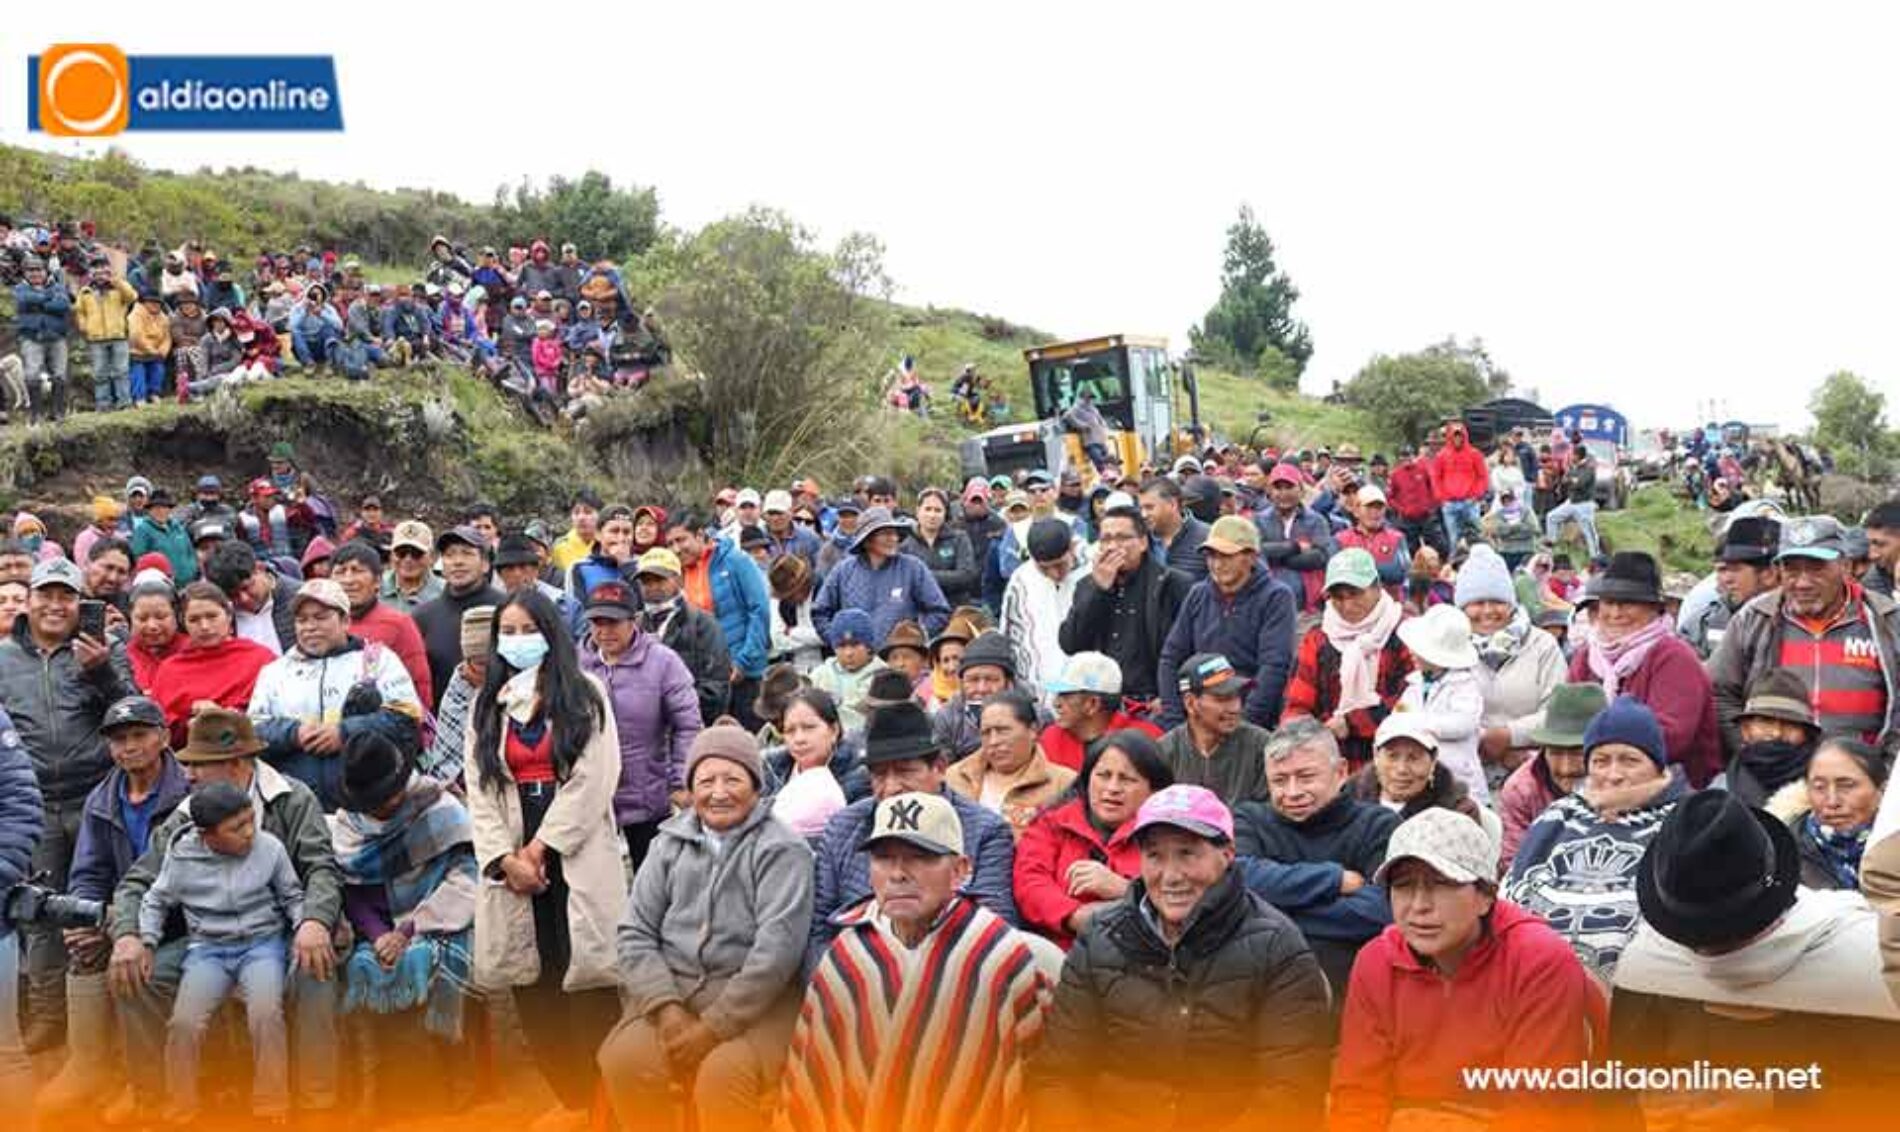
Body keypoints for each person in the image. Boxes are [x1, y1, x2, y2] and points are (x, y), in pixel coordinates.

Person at [1034, 784, 1331, 1132]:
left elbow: (1290, 1095)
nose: (1171, 876)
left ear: (1228, 853)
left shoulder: (1277, 946)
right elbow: (1059, 1077)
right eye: (1155, 856)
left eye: (1187, 853)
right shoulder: (1101, 937)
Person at [106, 708, 343, 1123]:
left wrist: (314, 921)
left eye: (200, 765)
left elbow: (321, 868)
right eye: (189, 764)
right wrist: (128, 935)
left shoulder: (291, 797)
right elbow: (138, 885)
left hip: (282, 933)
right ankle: (158, 1104)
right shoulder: (187, 815)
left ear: (236, 764)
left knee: (314, 968)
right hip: (206, 943)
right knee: (134, 975)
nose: (189, 774)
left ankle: (315, 1105)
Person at [1614, 791, 1900, 1126]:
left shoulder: (1865, 960)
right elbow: (1618, 1084)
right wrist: (1646, 1106)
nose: (1711, 954)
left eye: (1726, 937)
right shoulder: (1650, 963)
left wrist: (1780, 1102)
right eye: (1696, 939)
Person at [783, 790, 1052, 1132]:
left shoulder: (998, 956)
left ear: (960, 870)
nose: (897, 874)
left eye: (920, 857)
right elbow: (813, 1082)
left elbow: (1036, 1079)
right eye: (884, 858)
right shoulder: (846, 956)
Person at [1329, 808, 1606, 1132]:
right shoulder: (1375, 961)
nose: (1419, 905)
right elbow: (1358, 1094)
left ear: (1486, 897)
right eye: (1403, 886)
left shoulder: (1539, 960)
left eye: (1441, 885)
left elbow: (1537, 1108)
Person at [597, 723, 814, 1132]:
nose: (718, 792)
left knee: (722, 1075)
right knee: (625, 1061)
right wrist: (666, 1008)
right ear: (690, 788)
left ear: (755, 786)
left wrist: (713, 1028)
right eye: (706, 780)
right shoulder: (667, 843)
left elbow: (776, 955)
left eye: (732, 779)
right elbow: (636, 932)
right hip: (671, 999)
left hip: (757, 1009)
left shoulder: (783, 849)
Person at [463, 590, 626, 1121]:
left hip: (570, 844)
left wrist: (542, 846)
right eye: (505, 632)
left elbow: (594, 778)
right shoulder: (486, 705)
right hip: (514, 852)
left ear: (551, 632)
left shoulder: (585, 694)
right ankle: (572, 1099)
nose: (516, 641)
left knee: (591, 980)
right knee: (534, 983)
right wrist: (504, 858)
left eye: (525, 629)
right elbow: (480, 790)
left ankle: (607, 1102)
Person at [0, 557, 133, 1051]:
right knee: (38, 916)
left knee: (103, 906)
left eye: (67, 596)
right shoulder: (3, 657)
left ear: (82, 603)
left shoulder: (106, 649)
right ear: (29, 599)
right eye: (46, 595)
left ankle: (109, 1021)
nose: (56, 605)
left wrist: (101, 673)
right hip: (30, 806)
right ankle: (49, 1017)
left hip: (97, 797)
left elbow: (135, 711)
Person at [43, 696, 186, 1118]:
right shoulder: (101, 799)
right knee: (81, 943)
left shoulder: (189, 791)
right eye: (119, 739)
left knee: (134, 971)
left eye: (139, 735)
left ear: (162, 737)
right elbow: (89, 872)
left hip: (180, 919)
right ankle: (89, 1064)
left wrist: (131, 927)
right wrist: (86, 918)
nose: (129, 747)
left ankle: (142, 1082)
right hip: (121, 914)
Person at [133, 779, 302, 1124]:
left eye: (250, 820)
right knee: (184, 1024)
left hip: (261, 945)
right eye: (236, 827)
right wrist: (146, 942)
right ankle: (183, 1106)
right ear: (207, 835)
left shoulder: (269, 848)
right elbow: (155, 901)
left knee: (265, 1014)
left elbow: (292, 896)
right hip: (208, 950)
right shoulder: (181, 857)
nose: (248, 833)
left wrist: (304, 929)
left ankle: (272, 1106)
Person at [328, 733, 479, 1114]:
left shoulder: (440, 809)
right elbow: (352, 893)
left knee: (428, 962)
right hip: (375, 929)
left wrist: (408, 931)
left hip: (439, 920)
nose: (380, 809)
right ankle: (375, 1089)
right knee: (362, 967)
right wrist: (380, 935)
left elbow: (465, 880)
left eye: (387, 799)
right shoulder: (348, 826)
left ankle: (454, 1081)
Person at [806, 700, 1018, 969]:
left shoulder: (986, 830)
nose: (892, 787)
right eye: (880, 775)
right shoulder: (843, 828)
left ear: (940, 768)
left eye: (906, 772)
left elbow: (996, 927)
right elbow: (819, 929)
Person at [1505, 695, 1686, 979]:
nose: (1614, 775)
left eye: (1629, 760)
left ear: (1657, 764)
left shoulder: (1685, 821)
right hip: (1542, 981)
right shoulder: (1558, 817)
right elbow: (1514, 894)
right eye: (1601, 761)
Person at [1711, 515, 1900, 768]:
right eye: (1791, 569)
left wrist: (1886, 769)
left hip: (1866, 779)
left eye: (1816, 568)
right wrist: (1753, 753)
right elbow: (1719, 691)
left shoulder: (1886, 619)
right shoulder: (1755, 619)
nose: (1802, 582)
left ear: (1844, 566)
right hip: (1775, 777)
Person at [1230, 719, 1400, 994]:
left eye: (1306, 777)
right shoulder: (1250, 819)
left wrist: (1269, 913)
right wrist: (1333, 880)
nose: (1293, 792)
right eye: (1280, 780)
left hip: (1355, 985)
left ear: (1341, 771)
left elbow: (1383, 910)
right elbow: (1238, 880)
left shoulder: (1378, 825)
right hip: (1260, 984)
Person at [576, 579, 701, 873]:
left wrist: (680, 780)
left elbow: (688, 724)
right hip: (592, 796)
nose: (604, 632)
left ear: (634, 621)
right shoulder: (577, 662)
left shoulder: (663, 662)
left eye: (614, 622)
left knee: (652, 878)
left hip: (648, 793)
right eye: (597, 622)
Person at [1571, 550, 1722, 787]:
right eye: (1609, 603)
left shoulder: (1674, 657)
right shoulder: (1586, 657)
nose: (1615, 614)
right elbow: (1567, 720)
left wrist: (1601, 754)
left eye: (1628, 603)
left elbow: (1671, 739)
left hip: (1674, 782)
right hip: (1598, 772)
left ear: (1654, 609)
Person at [1157, 516, 1297, 730]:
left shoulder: (1276, 597)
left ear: (1251, 557)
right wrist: (1174, 716)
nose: (1217, 564)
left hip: (1247, 713)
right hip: (1198, 709)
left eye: (1226, 556)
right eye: (1211, 555)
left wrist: (1244, 725)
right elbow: (1171, 657)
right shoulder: (1198, 594)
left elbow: (1274, 667)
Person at [1282, 549, 1410, 772]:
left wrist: (1352, 723)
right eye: (1338, 598)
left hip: (1396, 755)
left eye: (1355, 594)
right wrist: (1305, 736)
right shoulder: (1318, 639)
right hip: (1329, 758)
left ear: (1377, 587)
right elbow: (1297, 704)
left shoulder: (1406, 632)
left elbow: (1410, 702)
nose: (1347, 606)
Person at [1059, 501, 1188, 707]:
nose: (1112, 547)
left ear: (1143, 543)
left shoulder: (1171, 584)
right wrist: (1098, 591)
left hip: (1153, 702)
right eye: (1106, 539)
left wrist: (1170, 697)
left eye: (1122, 538)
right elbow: (1071, 643)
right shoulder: (1087, 585)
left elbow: (1187, 649)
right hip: (1101, 704)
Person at [1459, 544, 1566, 790]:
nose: (1487, 611)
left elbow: (1557, 712)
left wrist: (1509, 736)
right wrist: (1481, 741)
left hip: (1534, 775)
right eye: (1476, 603)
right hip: (1466, 778)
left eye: (1497, 601)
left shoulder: (1542, 645)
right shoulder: (1447, 649)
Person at [668, 516, 774, 729]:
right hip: (705, 682)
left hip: (744, 675)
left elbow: (759, 610)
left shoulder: (735, 561)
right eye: (670, 543)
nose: (676, 549)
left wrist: (743, 661)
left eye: (681, 540)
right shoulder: (677, 574)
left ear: (700, 534)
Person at [148, 582, 276, 748]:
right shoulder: (170, 670)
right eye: (194, 620)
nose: (205, 626)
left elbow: (275, 718)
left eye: (212, 616)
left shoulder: (260, 658)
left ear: (229, 615)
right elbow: (158, 729)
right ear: (183, 624)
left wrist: (225, 717)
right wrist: (190, 725)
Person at [1497, 683, 1606, 866]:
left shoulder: (1631, 785)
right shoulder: (1521, 789)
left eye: (1577, 752)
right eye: (1555, 752)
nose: (1566, 768)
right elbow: (1514, 864)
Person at [811, 505, 952, 646]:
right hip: (857, 665)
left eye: (895, 533)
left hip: (899, 662)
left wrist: (912, 639)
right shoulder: (844, 570)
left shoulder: (913, 568)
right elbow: (820, 612)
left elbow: (939, 611)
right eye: (886, 533)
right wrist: (841, 643)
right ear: (867, 540)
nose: (894, 538)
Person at [946, 689, 1076, 836]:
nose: (993, 741)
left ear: (1033, 730)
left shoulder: (1063, 783)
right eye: (986, 733)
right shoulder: (955, 777)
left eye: (1003, 730)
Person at [1395, 603, 1489, 803]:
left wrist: (1419, 725)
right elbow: (1399, 716)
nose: (1412, 652)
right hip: (1419, 774)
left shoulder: (1465, 686)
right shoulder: (1415, 684)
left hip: (1457, 776)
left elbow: (1462, 724)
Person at [1768, 736, 1888, 891]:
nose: (1832, 802)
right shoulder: (1783, 855)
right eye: (1819, 787)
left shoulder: (1893, 846)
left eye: (1847, 786)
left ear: (1881, 790)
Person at [329, 540, 435, 713]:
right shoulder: (320, 626)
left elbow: (420, 690)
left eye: (358, 570)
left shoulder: (399, 624)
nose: (348, 580)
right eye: (340, 572)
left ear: (377, 581)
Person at [1351, 713, 1491, 843]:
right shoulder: (1349, 798)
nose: (1402, 769)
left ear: (1433, 759)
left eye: (1414, 758)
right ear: (1376, 755)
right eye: (1392, 756)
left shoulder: (1457, 811)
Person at [635, 547, 733, 729]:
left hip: (692, 728)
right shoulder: (633, 627)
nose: (652, 586)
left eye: (659, 579)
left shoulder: (703, 624)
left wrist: (663, 705)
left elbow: (717, 690)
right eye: (646, 581)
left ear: (679, 580)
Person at [1157, 653, 1273, 805]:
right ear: (1191, 703)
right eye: (1222, 699)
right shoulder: (1164, 752)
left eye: (1238, 696)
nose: (1235, 708)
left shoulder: (1263, 746)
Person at [412, 526, 506, 706]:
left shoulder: (507, 611)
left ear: (485, 563)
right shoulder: (423, 616)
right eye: (450, 554)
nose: (458, 562)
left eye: (467, 554)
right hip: (439, 725)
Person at [999, 517, 1086, 695]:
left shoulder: (1094, 571)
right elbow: (1010, 638)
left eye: (1059, 565)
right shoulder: (1021, 580)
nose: (1054, 574)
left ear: (1072, 548)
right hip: (1038, 691)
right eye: (1044, 568)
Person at [1682, 514, 1781, 659]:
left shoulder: (1802, 623)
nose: (1726, 579)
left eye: (1735, 570)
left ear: (1769, 574)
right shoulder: (1702, 624)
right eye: (1722, 570)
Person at [1256, 462, 1336, 612]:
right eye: (1278, 488)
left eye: (1289, 487)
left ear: (1301, 490)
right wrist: (1295, 547)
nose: (1283, 493)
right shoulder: (1259, 520)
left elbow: (1320, 556)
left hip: (1307, 606)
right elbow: (1257, 552)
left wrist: (1278, 558)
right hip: (1266, 602)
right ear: (1269, 491)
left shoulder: (1316, 520)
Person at [75, 256, 139, 410]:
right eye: (96, 270)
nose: (100, 274)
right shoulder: (85, 291)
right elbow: (79, 311)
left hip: (118, 336)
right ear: (91, 273)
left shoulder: (118, 288)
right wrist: (85, 327)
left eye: (103, 270)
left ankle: (124, 402)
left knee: (121, 371)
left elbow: (132, 297)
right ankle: (103, 404)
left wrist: (115, 280)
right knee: (99, 373)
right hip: (96, 338)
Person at [14, 254, 73, 421]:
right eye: (30, 270)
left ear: (45, 271)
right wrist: (48, 299)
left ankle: (58, 412)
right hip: (31, 337)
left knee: (60, 375)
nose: (35, 274)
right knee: (32, 375)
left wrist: (39, 302)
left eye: (38, 270)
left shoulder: (58, 287)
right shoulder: (20, 288)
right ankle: (36, 414)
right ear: (24, 273)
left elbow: (63, 305)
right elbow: (24, 299)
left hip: (57, 336)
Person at [903, 488, 979, 609]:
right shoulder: (905, 546)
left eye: (938, 510)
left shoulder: (959, 539)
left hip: (956, 608)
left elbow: (966, 576)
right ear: (918, 511)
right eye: (927, 509)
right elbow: (905, 582)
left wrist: (923, 576)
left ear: (945, 513)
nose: (932, 515)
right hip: (920, 610)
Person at [1430, 422, 1491, 552]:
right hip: (1450, 504)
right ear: (1450, 437)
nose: (1458, 439)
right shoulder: (1441, 456)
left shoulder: (1475, 454)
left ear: (1465, 436)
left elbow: (1483, 476)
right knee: (1453, 539)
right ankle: (1454, 566)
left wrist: (1477, 494)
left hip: (1470, 502)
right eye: (1455, 436)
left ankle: (1478, 562)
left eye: (1460, 436)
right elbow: (1435, 478)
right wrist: (1442, 497)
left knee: (1476, 537)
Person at [1138, 476, 1210, 582]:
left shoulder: (1207, 537)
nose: (1143, 515)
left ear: (1172, 504)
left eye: (1149, 508)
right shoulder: (1138, 540)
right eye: (1141, 508)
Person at [124, 578, 185, 692]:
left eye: (161, 617)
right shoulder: (121, 655)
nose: (152, 626)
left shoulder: (193, 651)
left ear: (176, 616)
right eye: (142, 619)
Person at [1544, 443, 1601, 557]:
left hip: (1584, 504)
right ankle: (1552, 545)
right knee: (1551, 517)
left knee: (1588, 532)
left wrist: (1571, 480)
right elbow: (1565, 481)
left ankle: (1595, 557)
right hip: (1571, 501)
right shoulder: (1573, 468)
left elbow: (1579, 484)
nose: (1570, 457)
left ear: (1578, 456)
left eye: (1573, 455)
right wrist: (1570, 480)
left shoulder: (1589, 468)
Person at [130, 490, 196, 585]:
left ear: (169, 509)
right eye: (156, 508)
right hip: (161, 585)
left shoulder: (179, 529)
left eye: (164, 507)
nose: (160, 511)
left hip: (188, 584)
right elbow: (138, 558)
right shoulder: (143, 530)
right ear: (149, 510)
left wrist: (192, 570)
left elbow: (190, 552)